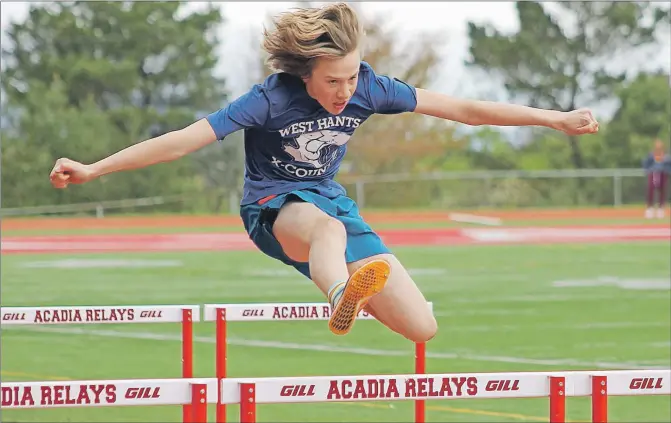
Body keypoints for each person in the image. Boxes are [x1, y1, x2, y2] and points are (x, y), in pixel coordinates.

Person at [49, 3, 599, 342]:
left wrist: (554, 119)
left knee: (421, 326)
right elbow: (181, 142)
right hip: (273, 209)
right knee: (325, 231)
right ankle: (339, 294)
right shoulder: (269, 99)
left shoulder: (371, 88)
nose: (346, 92)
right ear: (304, 74)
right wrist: (95, 169)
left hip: (332, 201)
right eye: (333, 82)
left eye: (352, 77)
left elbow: (465, 110)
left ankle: (348, 291)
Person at [642, 138, 671, 219]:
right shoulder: (651, 155)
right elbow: (646, 164)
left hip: (662, 174)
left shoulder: (666, 157)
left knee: (662, 191)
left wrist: (667, 171)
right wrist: (648, 170)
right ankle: (649, 209)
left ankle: (660, 209)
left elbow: (669, 165)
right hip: (653, 173)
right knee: (650, 190)